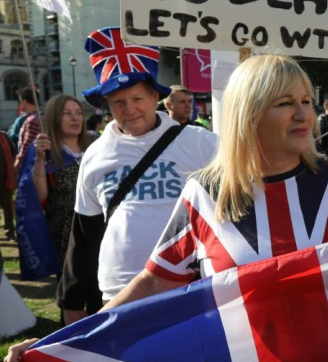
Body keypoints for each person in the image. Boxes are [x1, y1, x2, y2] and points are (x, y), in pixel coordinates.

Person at [3, 54, 328, 362]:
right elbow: (151, 283)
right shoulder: (205, 193)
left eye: (306, 102)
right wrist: (65, 342)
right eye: (284, 103)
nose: (304, 115)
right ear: (248, 114)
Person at [55, 26, 217, 325]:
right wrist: (72, 300)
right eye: (118, 101)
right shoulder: (95, 154)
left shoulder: (200, 143)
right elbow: (84, 232)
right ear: (106, 105)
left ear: (155, 96)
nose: (129, 110)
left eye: (137, 98)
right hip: (119, 292)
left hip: (189, 285)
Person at [28, 95, 90, 271]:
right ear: (55, 118)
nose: (75, 118)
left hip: (95, 226)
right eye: (67, 113)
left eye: (78, 113)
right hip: (64, 231)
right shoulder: (46, 152)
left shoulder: (94, 146)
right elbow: (41, 196)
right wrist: (40, 160)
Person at [14, 87, 40, 173]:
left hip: (31, 164)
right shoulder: (40, 116)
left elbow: (27, 144)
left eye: (20, 101)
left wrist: (18, 161)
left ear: (24, 101)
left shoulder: (32, 120)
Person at [0, 131, 16, 241]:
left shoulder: (4, 137)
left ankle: (10, 232)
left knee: (7, 207)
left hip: (4, 180)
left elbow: (13, 153)